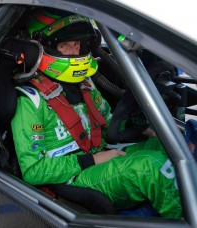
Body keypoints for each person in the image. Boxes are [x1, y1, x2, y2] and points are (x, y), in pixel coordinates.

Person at [10, 9, 182, 218]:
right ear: (44, 46)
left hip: (100, 153)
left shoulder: (85, 83)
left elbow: (109, 123)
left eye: (77, 44)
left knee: (171, 147)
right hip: (75, 175)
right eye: (65, 45)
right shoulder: (31, 100)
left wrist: (143, 128)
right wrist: (91, 160)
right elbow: (33, 171)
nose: (75, 52)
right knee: (152, 168)